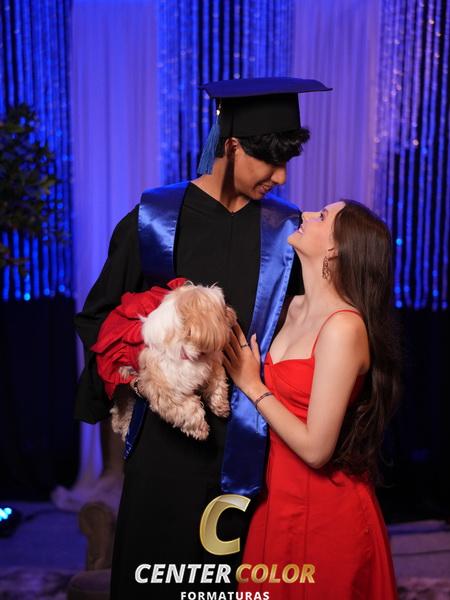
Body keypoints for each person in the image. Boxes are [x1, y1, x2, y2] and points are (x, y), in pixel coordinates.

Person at [74, 77, 331, 598]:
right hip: (165, 445)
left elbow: (315, 325)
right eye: (270, 161)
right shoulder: (153, 220)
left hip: (255, 443)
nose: (281, 176)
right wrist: (149, 363)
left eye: (287, 162)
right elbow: (99, 319)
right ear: (232, 147)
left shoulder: (287, 231)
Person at [224, 199, 401, 599]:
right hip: (275, 498)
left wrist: (252, 385)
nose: (304, 215)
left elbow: (317, 449)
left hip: (326, 512)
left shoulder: (344, 328)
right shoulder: (291, 306)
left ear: (336, 248)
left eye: (322, 217)